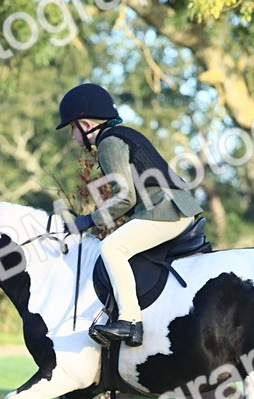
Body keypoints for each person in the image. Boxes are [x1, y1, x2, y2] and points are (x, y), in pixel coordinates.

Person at [57, 83, 204, 347]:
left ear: (86, 125)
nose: (71, 135)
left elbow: (125, 196)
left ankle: (130, 320)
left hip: (165, 208)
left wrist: (89, 221)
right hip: (176, 204)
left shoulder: (109, 143)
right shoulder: (122, 135)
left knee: (112, 248)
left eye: (71, 128)